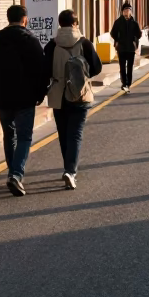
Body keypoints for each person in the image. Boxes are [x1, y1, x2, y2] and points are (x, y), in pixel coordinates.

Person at [0, 4, 50, 197]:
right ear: (25, 19)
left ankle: (13, 173)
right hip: (25, 99)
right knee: (24, 137)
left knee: (9, 135)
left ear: (8, 19)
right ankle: (16, 174)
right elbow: (42, 71)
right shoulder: (31, 41)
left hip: (3, 98)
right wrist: (40, 94)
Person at [44, 10, 103, 190]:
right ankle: (70, 171)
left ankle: (68, 168)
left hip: (58, 95)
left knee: (63, 134)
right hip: (80, 94)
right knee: (75, 134)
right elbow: (97, 67)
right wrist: (82, 76)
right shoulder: (84, 43)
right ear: (75, 24)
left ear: (60, 24)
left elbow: (45, 70)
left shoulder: (52, 45)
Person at [109, 1, 142, 92]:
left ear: (131, 11)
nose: (127, 12)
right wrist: (117, 40)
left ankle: (128, 83)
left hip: (131, 48)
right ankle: (124, 83)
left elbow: (139, 34)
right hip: (121, 48)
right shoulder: (118, 22)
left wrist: (135, 40)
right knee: (122, 67)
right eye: (125, 10)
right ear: (122, 12)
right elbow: (112, 33)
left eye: (128, 10)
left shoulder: (134, 23)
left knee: (130, 67)